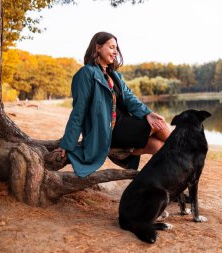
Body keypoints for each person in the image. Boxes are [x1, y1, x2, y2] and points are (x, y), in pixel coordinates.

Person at [56, 32, 171, 178]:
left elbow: (130, 98)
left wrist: (147, 113)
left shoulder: (114, 75)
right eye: (111, 47)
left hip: (123, 124)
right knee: (160, 125)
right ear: (98, 47)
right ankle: (187, 150)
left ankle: (167, 185)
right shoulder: (86, 74)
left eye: (116, 48)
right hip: (108, 131)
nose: (115, 51)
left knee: (158, 146)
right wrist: (67, 144)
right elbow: (79, 111)